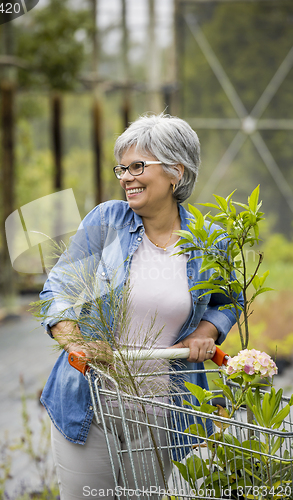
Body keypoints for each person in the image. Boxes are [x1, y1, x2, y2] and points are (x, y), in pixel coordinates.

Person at [39, 113, 243, 500]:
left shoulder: (208, 238)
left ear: (175, 172)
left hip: (161, 413)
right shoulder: (108, 222)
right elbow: (58, 290)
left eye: (137, 166)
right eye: (122, 167)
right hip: (91, 402)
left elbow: (230, 298)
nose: (126, 177)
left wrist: (207, 330)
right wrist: (76, 342)